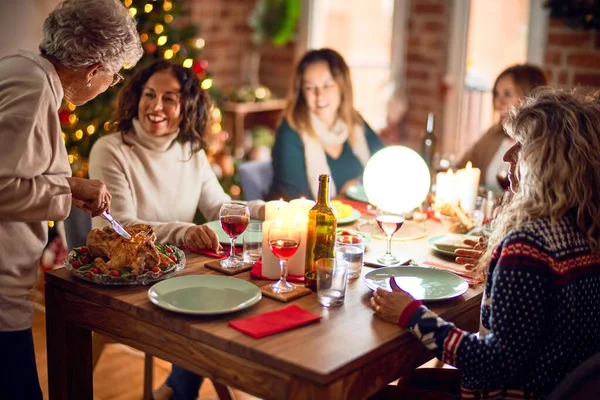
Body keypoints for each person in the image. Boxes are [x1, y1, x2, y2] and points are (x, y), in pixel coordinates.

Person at [371, 88, 600, 398]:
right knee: (414, 381)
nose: (507, 156)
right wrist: (499, 264)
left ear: (547, 162)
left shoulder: (528, 246)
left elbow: (494, 363)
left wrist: (411, 314)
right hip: (554, 387)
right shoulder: (583, 231)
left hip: (513, 392)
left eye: (521, 146)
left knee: (381, 394)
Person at [89, 60, 265, 400]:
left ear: (187, 107)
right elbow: (120, 226)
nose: (156, 107)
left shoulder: (191, 150)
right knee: (207, 308)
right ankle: (178, 392)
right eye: (149, 95)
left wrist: (268, 209)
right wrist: (184, 232)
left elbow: (219, 207)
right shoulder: (111, 150)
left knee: (234, 295)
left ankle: (175, 391)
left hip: (178, 271)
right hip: (129, 278)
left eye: (169, 98)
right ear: (136, 97)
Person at [0, 0, 142, 398]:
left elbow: (18, 170)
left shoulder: (21, 68)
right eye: (113, 77)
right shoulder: (33, 89)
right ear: (93, 69)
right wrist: (71, 188)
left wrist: (69, 187)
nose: (109, 85)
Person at [268, 48, 384, 200]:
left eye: (327, 85)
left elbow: (384, 170)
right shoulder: (290, 132)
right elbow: (297, 202)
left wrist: (358, 185)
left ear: (342, 87)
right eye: (310, 88)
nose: (319, 95)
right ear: (301, 92)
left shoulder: (356, 123)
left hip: (359, 220)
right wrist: (347, 195)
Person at [458, 64, 546, 192]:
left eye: (507, 94)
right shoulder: (493, 134)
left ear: (530, 96)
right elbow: (462, 169)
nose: (499, 102)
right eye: (496, 94)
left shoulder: (543, 145)